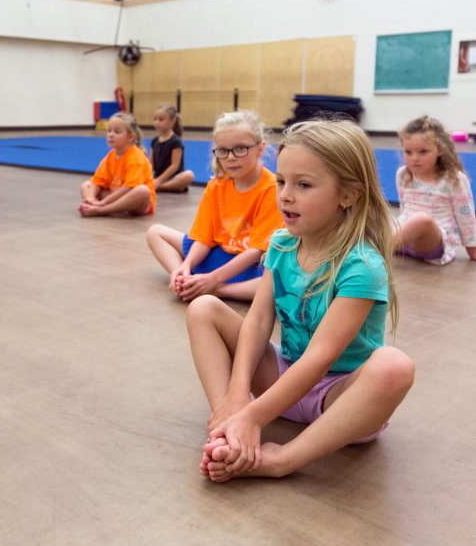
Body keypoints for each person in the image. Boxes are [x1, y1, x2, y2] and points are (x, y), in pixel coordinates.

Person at [188, 119, 414, 482]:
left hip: (338, 401)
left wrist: (256, 416)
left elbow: (321, 358)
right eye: (281, 181)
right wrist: (237, 396)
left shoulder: (361, 266)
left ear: (348, 195)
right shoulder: (281, 245)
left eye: (303, 185)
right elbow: (259, 323)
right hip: (283, 380)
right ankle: (227, 423)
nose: (285, 195)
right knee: (203, 309)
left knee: (393, 366)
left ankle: (281, 460)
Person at [146, 111, 283, 301]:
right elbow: (203, 238)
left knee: (279, 281)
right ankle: (184, 278)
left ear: (260, 149)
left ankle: (217, 289)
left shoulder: (272, 188)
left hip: (251, 265)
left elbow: (257, 251)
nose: (230, 157)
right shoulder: (217, 184)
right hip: (218, 256)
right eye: (223, 150)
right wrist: (185, 266)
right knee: (155, 232)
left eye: (240, 149)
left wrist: (214, 280)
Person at [394, 115, 476, 264]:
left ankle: (369, 253)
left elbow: (466, 215)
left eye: (423, 152)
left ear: (440, 149)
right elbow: (404, 208)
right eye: (408, 152)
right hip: (404, 241)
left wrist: (472, 247)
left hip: (432, 242)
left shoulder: (454, 179)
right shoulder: (403, 174)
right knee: (372, 216)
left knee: (421, 220)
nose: (414, 158)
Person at [79, 111, 155, 217]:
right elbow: (97, 180)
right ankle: (92, 204)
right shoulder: (111, 156)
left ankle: (101, 210)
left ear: (130, 137)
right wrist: (91, 197)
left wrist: (103, 203)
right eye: (109, 131)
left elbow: (129, 188)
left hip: (136, 202)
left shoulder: (136, 157)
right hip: (116, 195)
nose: (111, 135)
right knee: (86, 185)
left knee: (143, 191)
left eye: (117, 132)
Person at [151, 104, 195, 193]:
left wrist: (159, 181)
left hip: (174, 178)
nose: (157, 122)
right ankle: (158, 186)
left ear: (172, 121)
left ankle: (160, 187)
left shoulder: (175, 141)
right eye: (155, 119)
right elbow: (150, 164)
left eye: (161, 119)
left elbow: (174, 166)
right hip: (158, 177)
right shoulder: (155, 141)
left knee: (189, 175)